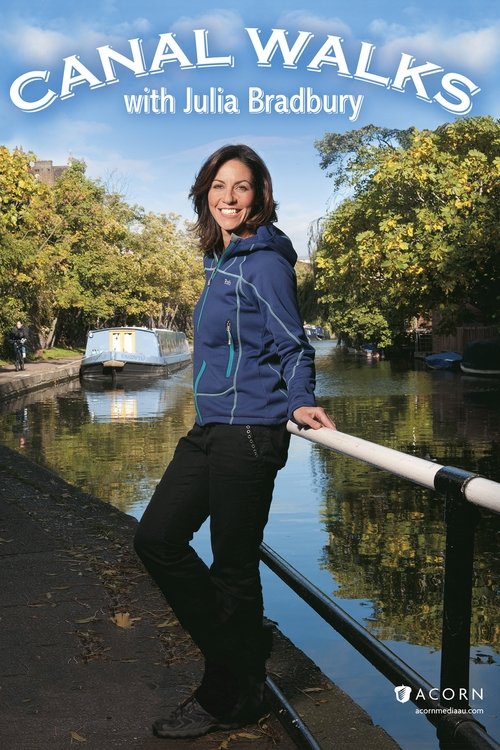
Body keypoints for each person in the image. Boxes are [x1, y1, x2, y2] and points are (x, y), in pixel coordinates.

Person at [134, 144, 335, 740]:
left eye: (240, 187)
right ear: (205, 194)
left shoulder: (264, 261)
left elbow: (292, 342)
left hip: (250, 432)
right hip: (212, 427)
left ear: (259, 195)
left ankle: (231, 693)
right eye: (218, 186)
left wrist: (299, 398)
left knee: (233, 568)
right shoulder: (222, 261)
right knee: (157, 538)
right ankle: (246, 651)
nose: (228, 197)